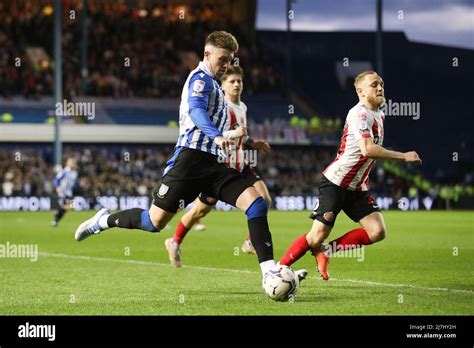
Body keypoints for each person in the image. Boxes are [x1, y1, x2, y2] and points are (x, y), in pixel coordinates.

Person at [74, 31, 306, 282]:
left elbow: (211, 122)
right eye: (223, 59)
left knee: (257, 203)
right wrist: (217, 136)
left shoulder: (216, 85)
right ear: (207, 54)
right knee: (154, 222)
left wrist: (237, 139)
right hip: (189, 160)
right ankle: (103, 221)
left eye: (230, 60)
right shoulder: (200, 79)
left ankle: (268, 271)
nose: (227, 65)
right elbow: (196, 112)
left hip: (215, 164)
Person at [278, 71, 422, 281]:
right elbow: (367, 149)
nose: (380, 88)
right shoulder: (359, 114)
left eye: (381, 84)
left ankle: (327, 251)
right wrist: (403, 157)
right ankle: (277, 269)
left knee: (377, 231)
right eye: (374, 85)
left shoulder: (379, 115)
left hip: (357, 187)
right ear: (360, 91)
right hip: (336, 182)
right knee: (316, 236)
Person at [164, 65, 272, 267]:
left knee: (264, 199)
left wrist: (252, 143)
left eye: (239, 81)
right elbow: (218, 133)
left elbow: (241, 134)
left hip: (241, 163)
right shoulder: (223, 107)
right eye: (232, 81)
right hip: (222, 166)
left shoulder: (243, 106)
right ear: (222, 86)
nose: (237, 84)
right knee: (199, 212)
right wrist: (235, 134)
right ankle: (174, 241)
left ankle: (250, 242)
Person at [51, 157, 78, 226]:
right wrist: (57, 187)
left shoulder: (74, 172)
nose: (73, 163)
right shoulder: (64, 171)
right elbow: (56, 179)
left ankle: (56, 216)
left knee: (70, 208)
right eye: (71, 162)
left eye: (73, 162)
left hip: (69, 193)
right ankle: (56, 215)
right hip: (63, 193)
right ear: (67, 163)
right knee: (70, 206)